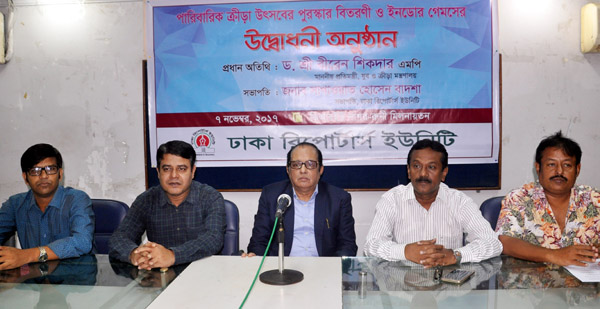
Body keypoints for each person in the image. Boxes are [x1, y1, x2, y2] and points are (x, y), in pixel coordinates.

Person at [364, 139, 502, 267]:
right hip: (403, 286)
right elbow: (371, 245)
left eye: (432, 167)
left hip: (448, 286)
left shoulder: (459, 201)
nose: (423, 174)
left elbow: (493, 243)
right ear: (408, 170)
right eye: (416, 166)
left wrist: (456, 255)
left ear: (444, 173)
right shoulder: (392, 200)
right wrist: (404, 251)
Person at [108, 140, 226, 270]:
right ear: (158, 172)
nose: (174, 176)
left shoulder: (210, 197)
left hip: (204, 274)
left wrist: (172, 255)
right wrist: (135, 254)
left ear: (193, 171)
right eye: (167, 169)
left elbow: (213, 239)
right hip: (160, 278)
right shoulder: (146, 200)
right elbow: (119, 238)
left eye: (181, 169)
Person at [496, 131, 600, 266]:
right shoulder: (519, 198)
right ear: (538, 167)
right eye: (551, 164)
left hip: (585, 283)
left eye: (567, 165)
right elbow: (505, 241)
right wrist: (554, 255)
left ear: (577, 169)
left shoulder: (594, 199)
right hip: (529, 283)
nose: (559, 172)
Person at [244, 142, 357, 257]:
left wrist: (333, 268)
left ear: (321, 170)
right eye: (296, 164)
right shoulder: (271, 195)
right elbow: (258, 241)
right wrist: (255, 256)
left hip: (323, 268)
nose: (303, 170)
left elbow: (347, 245)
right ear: (288, 170)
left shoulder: (339, 199)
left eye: (310, 164)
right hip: (281, 269)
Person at [0, 144, 94, 270]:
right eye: (35, 171)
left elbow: (82, 242)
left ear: (60, 174)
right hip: (33, 280)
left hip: (74, 281)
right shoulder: (15, 205)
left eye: (50, 169)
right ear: (25, 178)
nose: (43, 176)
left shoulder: (76, 199)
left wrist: (27, 255)